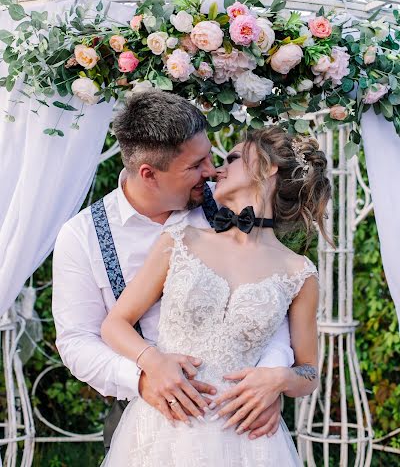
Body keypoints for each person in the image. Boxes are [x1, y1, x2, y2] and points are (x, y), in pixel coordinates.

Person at [52, 91, 295, 454]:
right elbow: (76, 340)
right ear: (149, 174)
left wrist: (270, 379)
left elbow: (272, 296)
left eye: (209, 157)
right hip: (146, 420)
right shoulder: (82, 237)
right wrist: (143, 377)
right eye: (195, 166)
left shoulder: (231, 203)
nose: (211, 171)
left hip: (241, 420)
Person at [100, 124, 331, 466]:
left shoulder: (299, 273)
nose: (218, 169)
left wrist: (280, 379)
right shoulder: (180, 240)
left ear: (268, 169)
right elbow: (115, 324)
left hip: (249, 441)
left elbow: (309, 371)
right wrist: (153, 360)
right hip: (165, 428)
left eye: (233, 158)